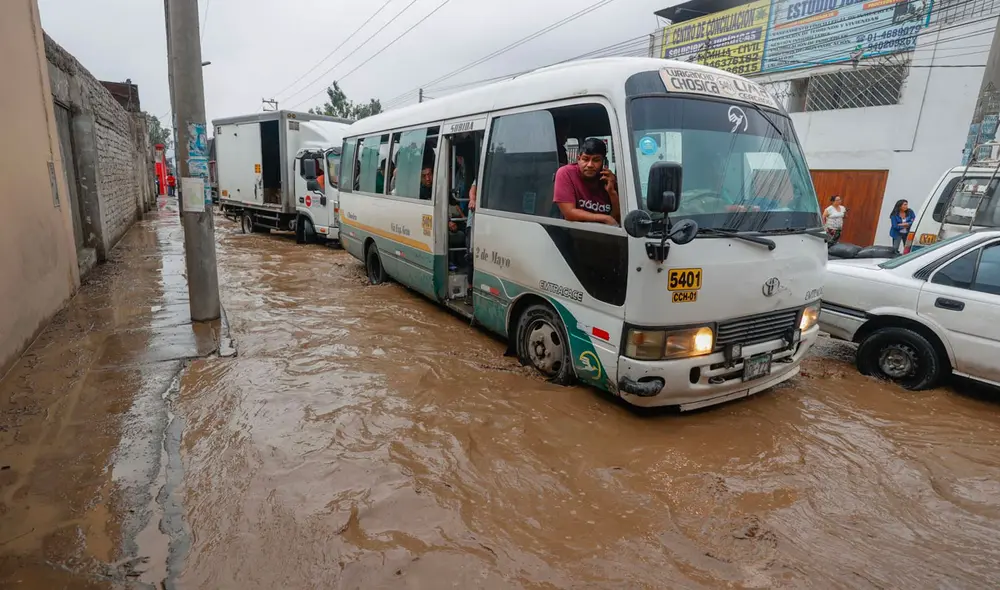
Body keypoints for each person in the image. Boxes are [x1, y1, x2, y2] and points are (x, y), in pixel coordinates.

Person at [553, 138, 620, 225]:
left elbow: (617, 220)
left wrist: (612, 193)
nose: (590, 165)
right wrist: (605, 218)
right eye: (585, 159)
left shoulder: (608, 179)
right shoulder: (566, 173)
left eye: (596, 160)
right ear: (578, 159)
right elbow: (569, 213)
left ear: (603, 162)